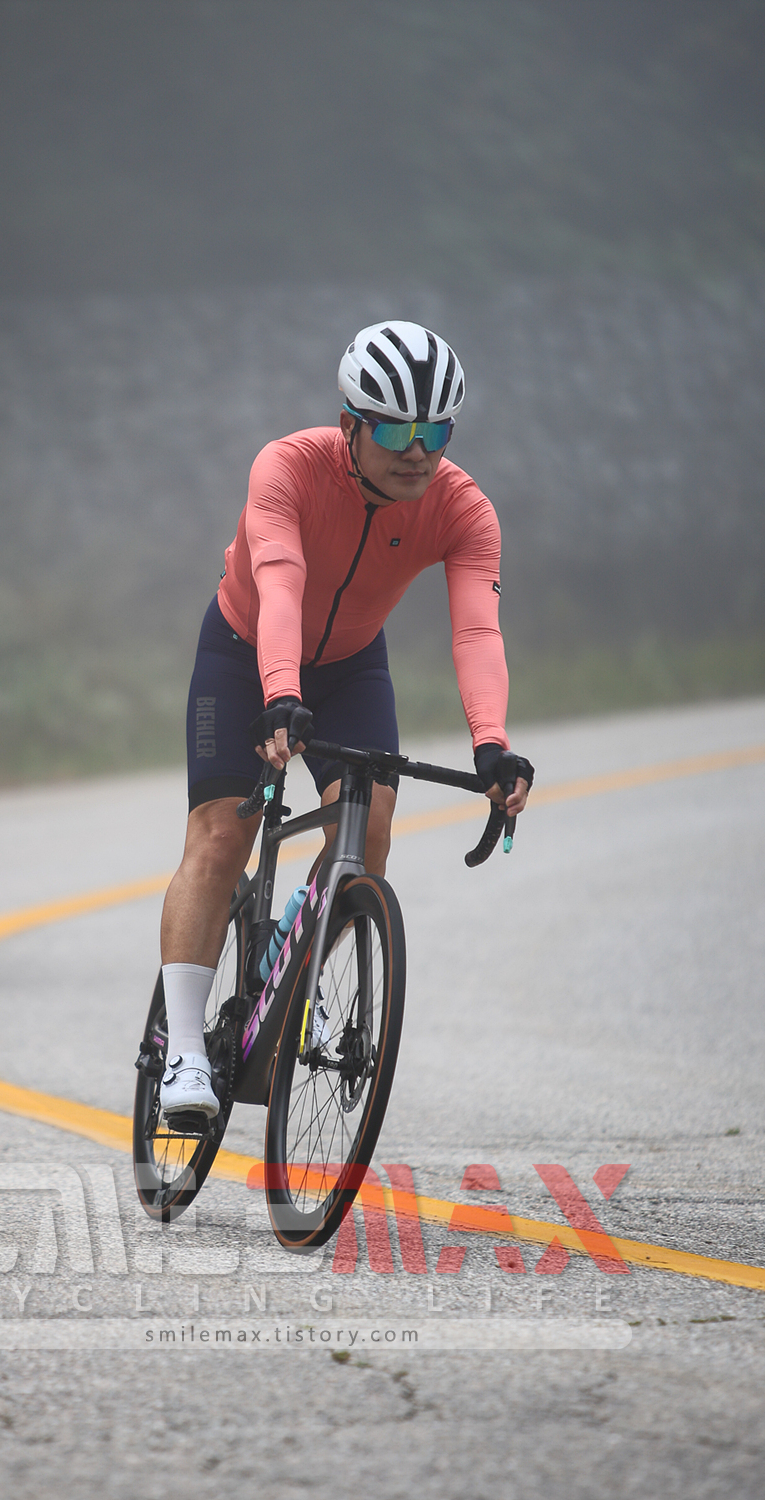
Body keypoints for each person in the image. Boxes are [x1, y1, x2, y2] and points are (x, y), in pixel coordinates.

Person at [158, 321, 532, 1117]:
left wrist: (492, 745)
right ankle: (182, 1055)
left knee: (371, 831)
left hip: (352, 666)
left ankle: (299, 970)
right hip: (245, 652)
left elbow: (476, 632)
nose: (417, 452)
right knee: (222, 835)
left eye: (436, 433)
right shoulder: (287, 467)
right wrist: (279, 692)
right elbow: (280, 583)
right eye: (395, 431)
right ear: (350, 425)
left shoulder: (464, 510)